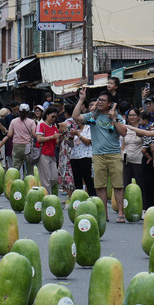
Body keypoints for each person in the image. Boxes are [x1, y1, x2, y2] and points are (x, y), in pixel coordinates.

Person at [71, 87, 127, 221]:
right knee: (100, 186)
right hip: (97, 155)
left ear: (109, 103)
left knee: (118, 185)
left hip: (114, 154)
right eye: (98, 100)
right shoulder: (93, 116)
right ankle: (103, 214)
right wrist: (81, 99)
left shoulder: (116, 117)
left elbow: (123, 132)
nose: (100, 102)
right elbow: (75, 116)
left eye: (103, 100)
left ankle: (120, 213)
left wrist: (114, 118)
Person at [34, 109, 63, 193]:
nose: (54, 119)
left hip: (52, 154)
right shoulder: (41, 125)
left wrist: (60, 139)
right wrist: (51, 137)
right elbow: (39, 139)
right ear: (46, 115)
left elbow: (56, 142)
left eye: (55, 117)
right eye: (52, 116)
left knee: (54, 178)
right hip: (43, 153)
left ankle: (47, 194)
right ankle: (47, 199)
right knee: (46, 179)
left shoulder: (54, 127)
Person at [5, 104, 37, 173]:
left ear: (19, 112)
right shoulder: (31, 122)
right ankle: (29, 182)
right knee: (29, 168)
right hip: (28, 147)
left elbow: (9, 135)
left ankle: (14, 180)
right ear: (28, 113)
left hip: (16, 146)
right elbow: (34, 134)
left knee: (15, 168)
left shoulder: (13, 121)